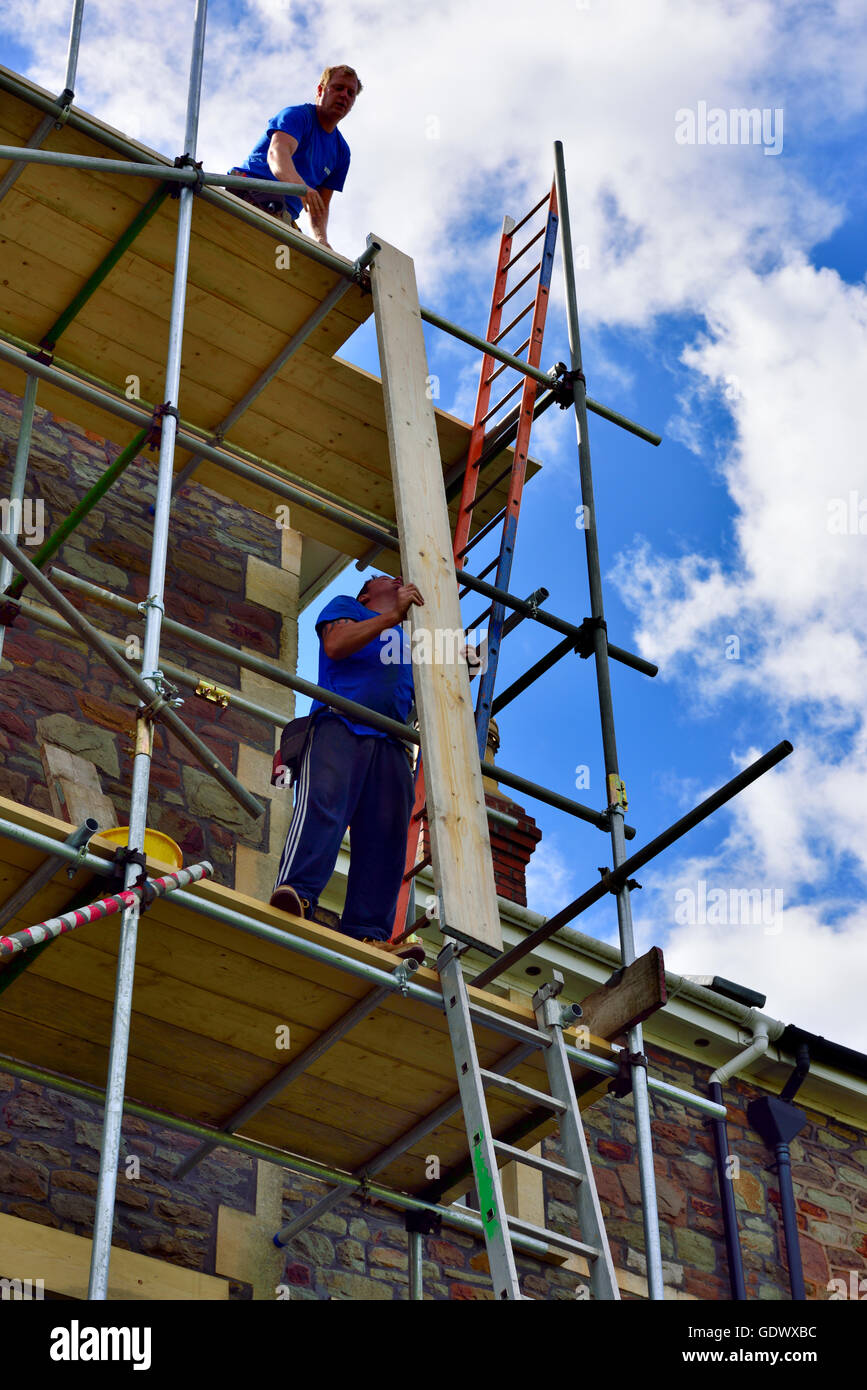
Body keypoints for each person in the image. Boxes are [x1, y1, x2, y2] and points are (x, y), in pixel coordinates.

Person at [270, 574, 425, 960]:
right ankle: (299, 893)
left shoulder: (405, 641)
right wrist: (392, 618)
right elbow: (336, 645)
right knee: (324, 804)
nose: (400, 580)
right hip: (340, 723)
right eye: (389, 578)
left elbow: (434, 681)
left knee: (387, 835)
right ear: (368, 591)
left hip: (391, 741)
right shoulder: (348, 607)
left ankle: (368, 933)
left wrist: (465, 659)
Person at [230, 64, 361, 248]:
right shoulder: (298, 116)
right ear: (321, 90)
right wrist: (301, 187)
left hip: (282, 215)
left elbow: (319, 205)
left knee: (299, 260)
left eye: (350, 93)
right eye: (338, 88)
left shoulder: (341, 152)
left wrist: (321, 239)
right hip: (250, 193)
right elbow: (277, 154)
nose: (344, 96)